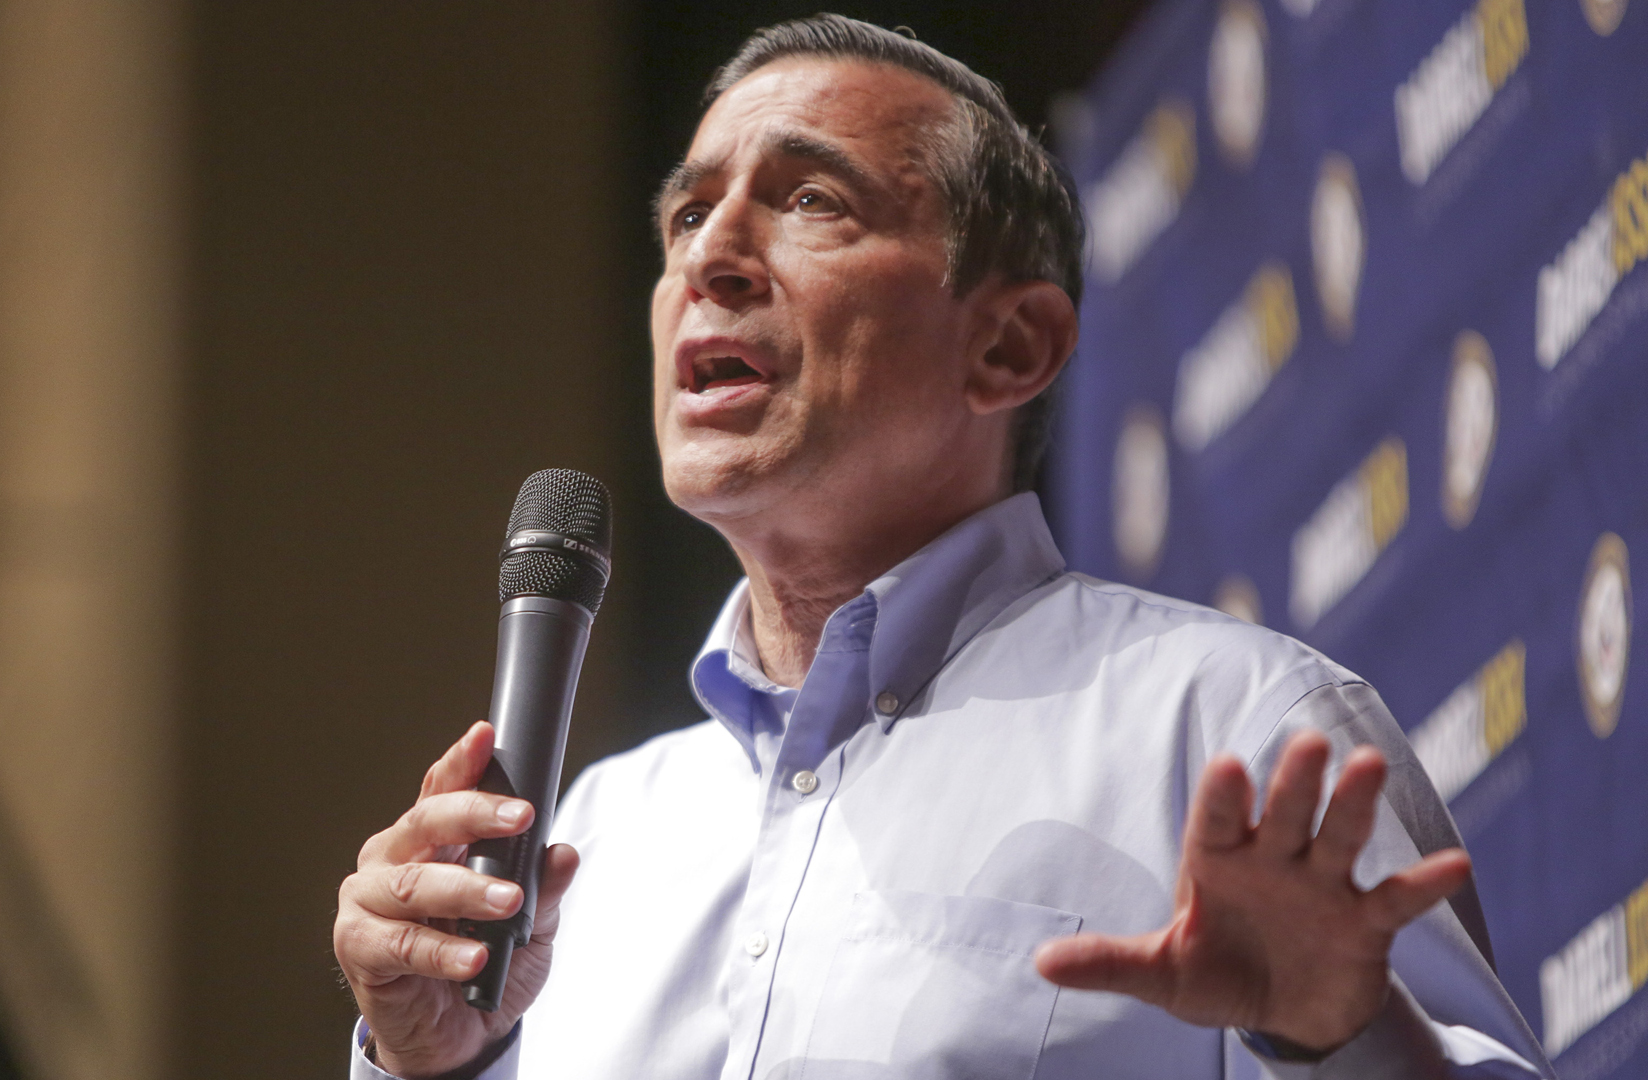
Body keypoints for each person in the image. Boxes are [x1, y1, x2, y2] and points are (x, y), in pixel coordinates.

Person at [334, 16, 1551, 1080]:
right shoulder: (591, 840)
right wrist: (433, 1065)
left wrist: (1344, 1042)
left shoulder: (1228, 728)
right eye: (689, 213)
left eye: (811, 200)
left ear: (1010, 348)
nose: (707, 256)